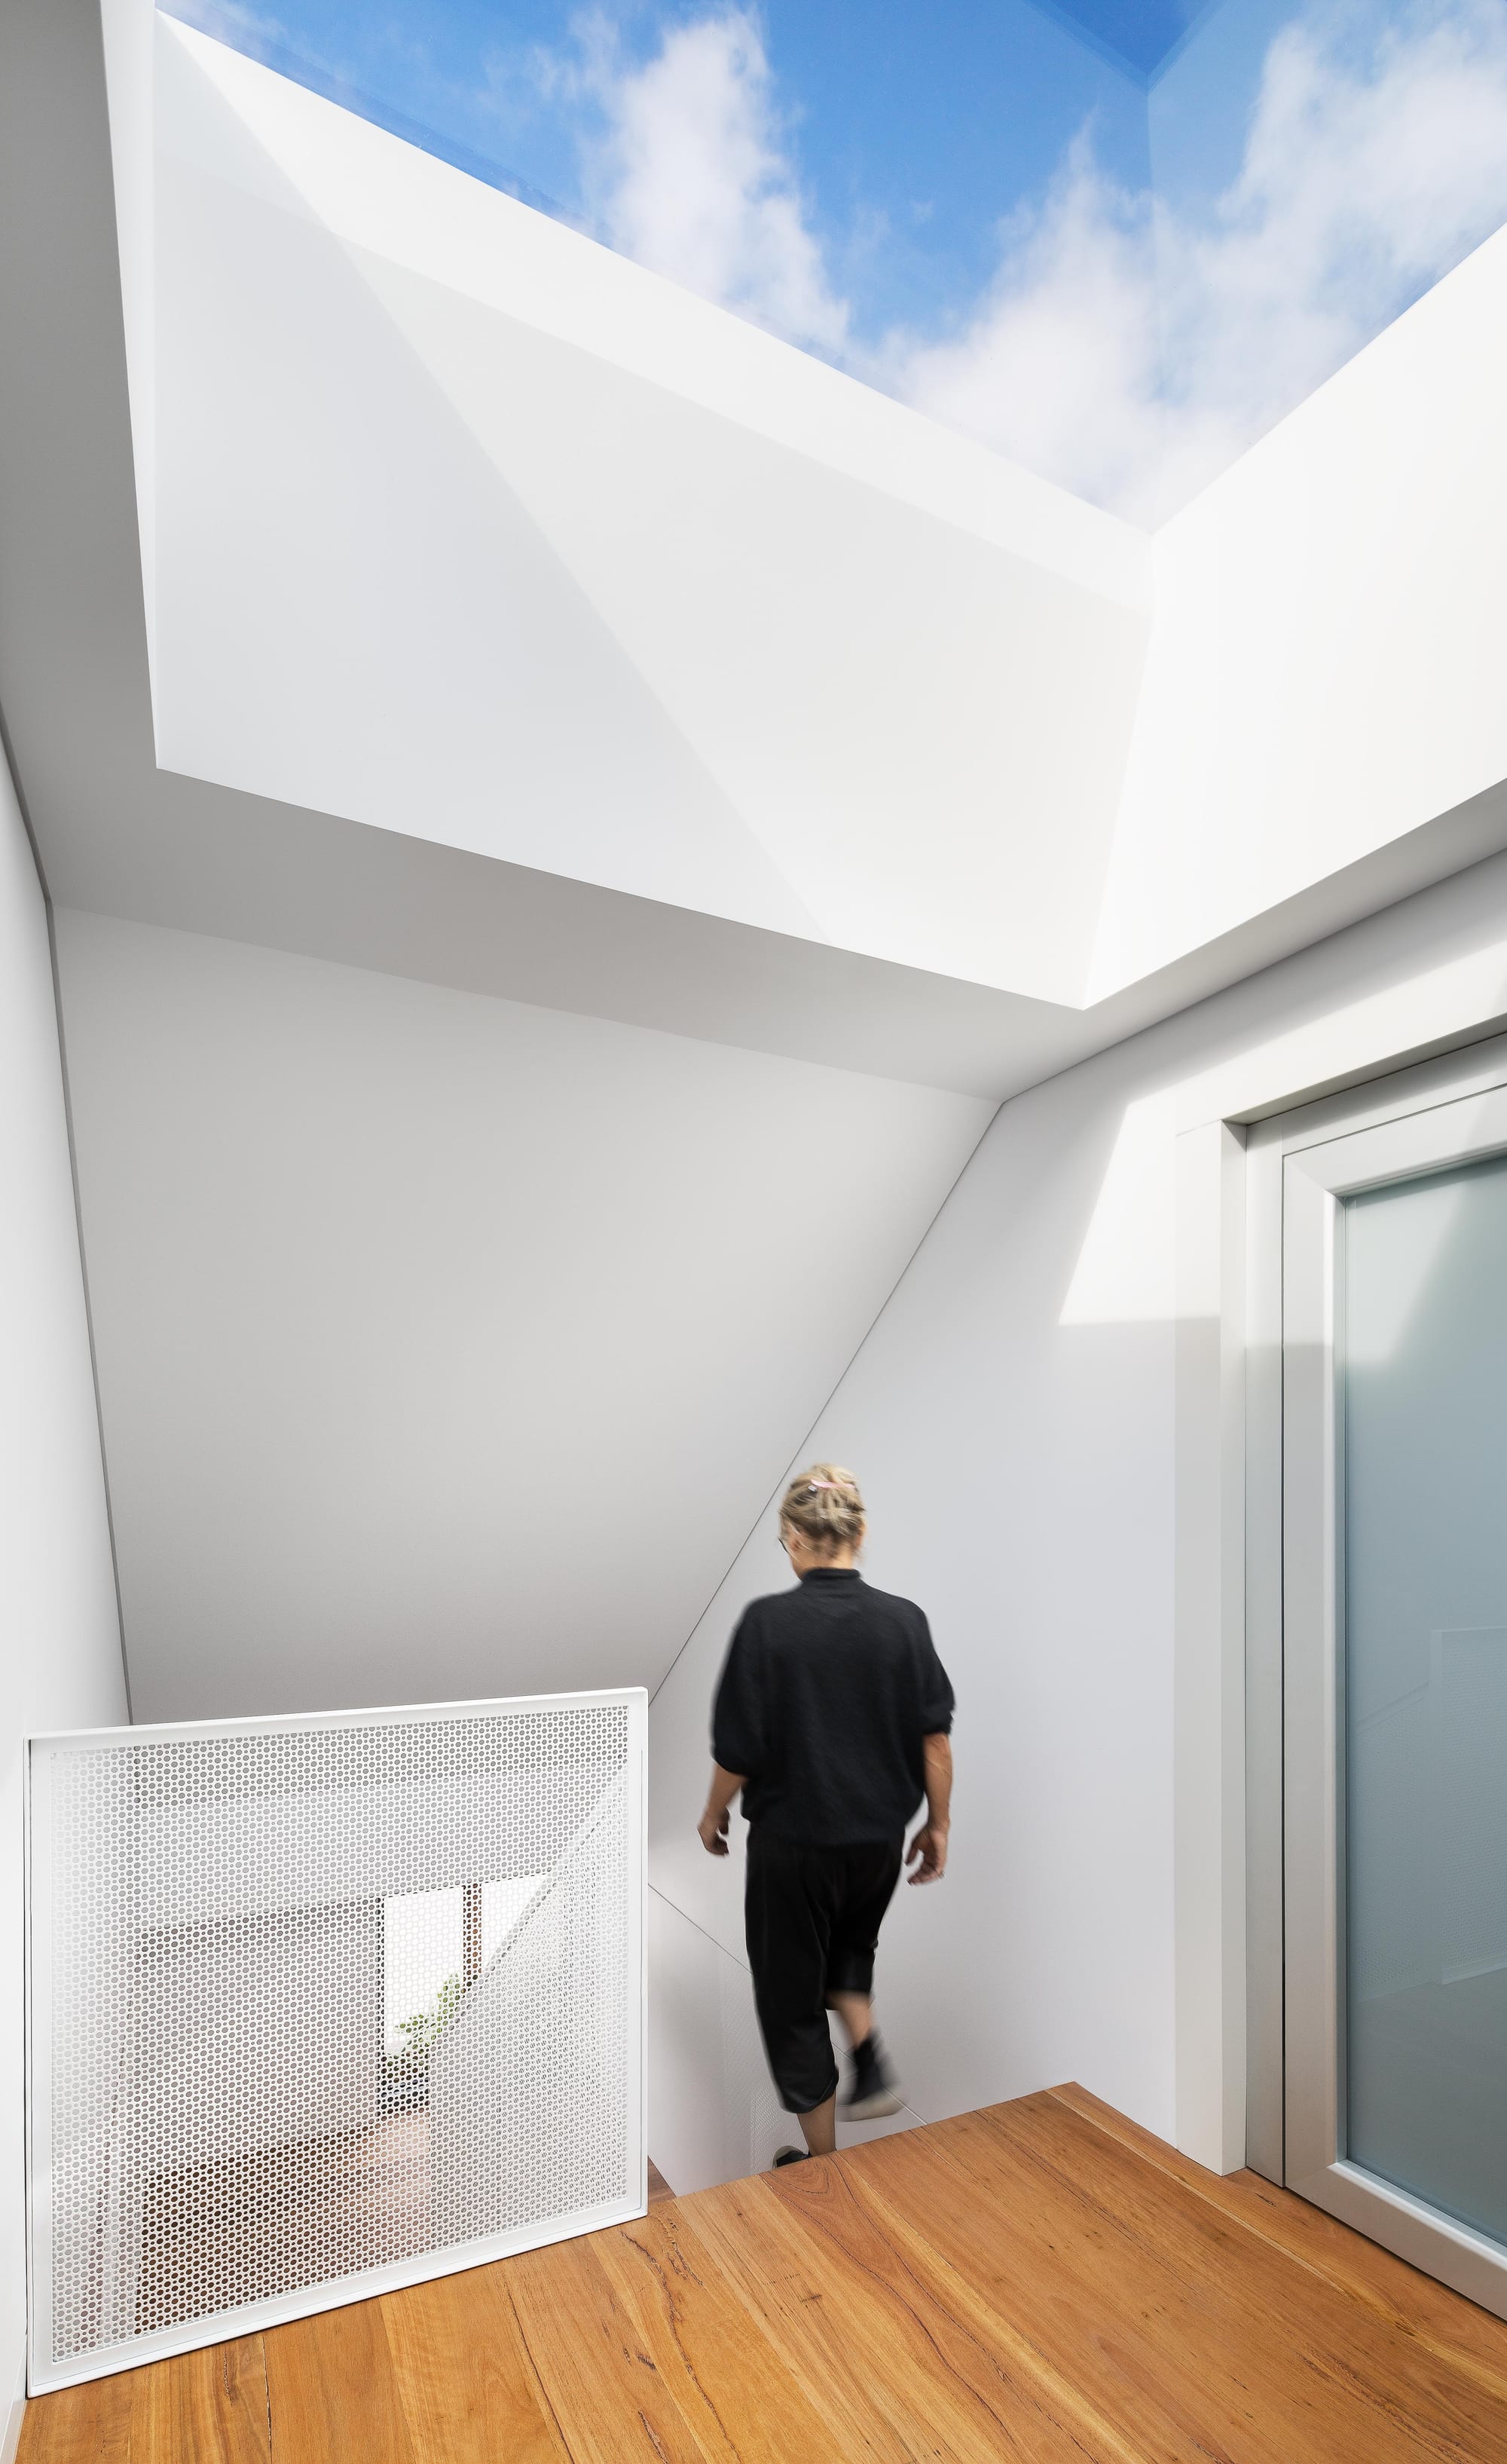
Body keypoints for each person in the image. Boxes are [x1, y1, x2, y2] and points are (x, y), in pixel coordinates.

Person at [698, 1464, 954, 2166]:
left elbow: (740, 1750)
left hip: (794, 1845)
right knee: (849, 1950)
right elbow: (935, 1737)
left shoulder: (767, 1624)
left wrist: (713, 1814)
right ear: (859, 1532)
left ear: (791, 1539)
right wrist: (938, 1827)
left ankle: (824, 2165)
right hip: (877, 1844)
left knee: (790, 1998)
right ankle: (869, 2054)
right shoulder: (905, 1621)